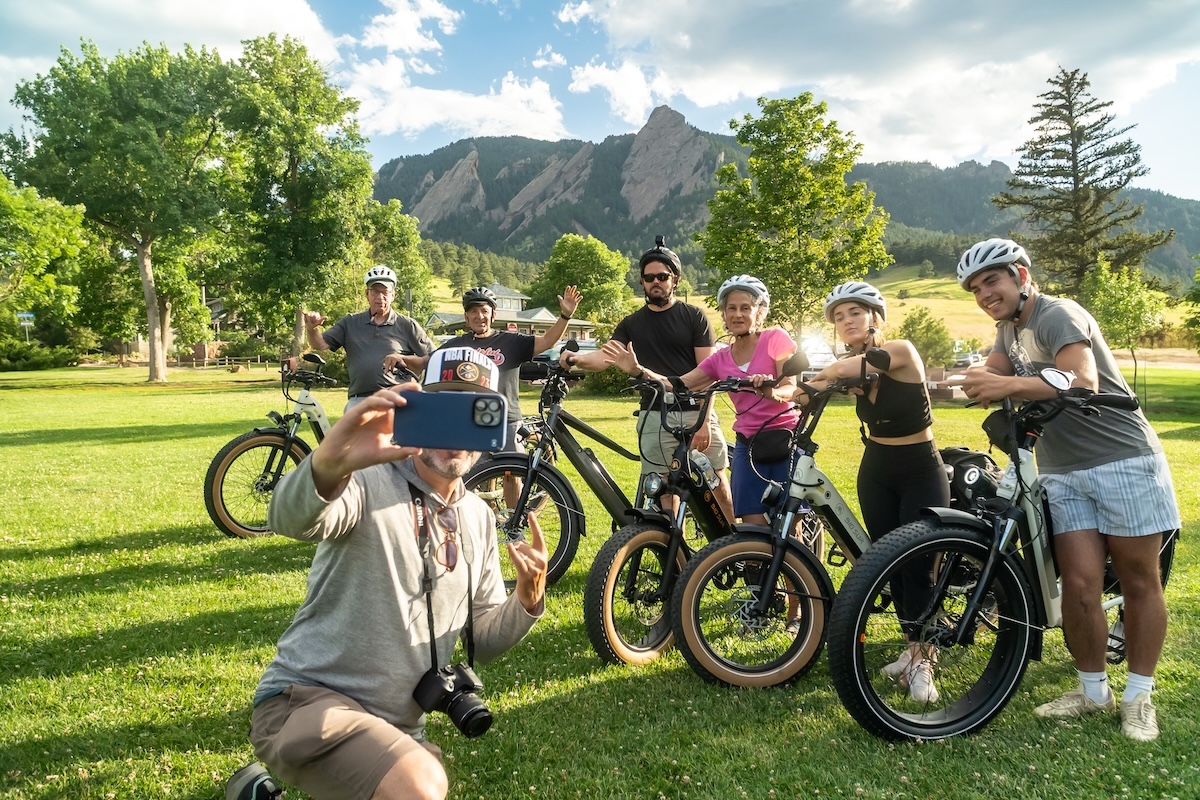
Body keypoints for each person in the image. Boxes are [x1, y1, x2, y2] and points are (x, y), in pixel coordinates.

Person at [228, 348, 548, 800]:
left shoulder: (477, 516)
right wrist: (329, 464)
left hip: (397, 726)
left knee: (418, 782)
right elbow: (287, 518)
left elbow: (483, 639)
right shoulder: (367, 479)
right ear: (416, 410)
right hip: (307, 701)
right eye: (442, 409)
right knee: (420, 787)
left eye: (474, 413)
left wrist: (527, 601)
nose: (455, 433)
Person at [952, 237, 1179, 741]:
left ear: (1021, 276)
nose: (985, 292)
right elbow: (993, 371)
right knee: (1078, 587)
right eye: (975, 288)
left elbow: (1081, 381)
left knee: (1139, 580)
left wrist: (1005, 387)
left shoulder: (1058, 313)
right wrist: (957, 380)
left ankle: (1139, 696)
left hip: (1121, 460)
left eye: (992, 280)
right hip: (1059, 467)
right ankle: (1092, 691)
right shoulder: (1007, 330)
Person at [810, 280, 950, 703]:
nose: (846, 321)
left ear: (874, 317)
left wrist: (824, 373)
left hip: (920, 469)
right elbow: (806, 391)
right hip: (877, 470)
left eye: (855, 312)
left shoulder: (901, 351)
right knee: (890, 563)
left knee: (919, 566)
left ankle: (926, 663)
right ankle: (913, 652)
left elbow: (833, 373)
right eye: (838, 316)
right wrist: (777, 388)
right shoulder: (855, 365)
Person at [565, 236, 734, 522]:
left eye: (662, 276)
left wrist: (705, 421)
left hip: (696, 411)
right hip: (655, 415)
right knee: (665, 493)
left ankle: (733, 554)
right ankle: (676, 561)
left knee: (719, 490)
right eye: (648, 277)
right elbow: (605, 357)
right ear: (642, 283)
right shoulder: (632, 323)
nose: (656, 281)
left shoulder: (694, 317)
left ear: (675, 279)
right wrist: (574, 360)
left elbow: (709, 373)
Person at [439, 284, 583, 459]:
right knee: (470, 475)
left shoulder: (510, 341)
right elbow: (427, 360)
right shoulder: (456, 344)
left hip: (507, 418)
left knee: (512, 472)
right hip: (470, 419)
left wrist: (565, 316)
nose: (479, 316)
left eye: (484, 311)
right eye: (473, 311)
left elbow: (547, 341)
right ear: (466, 317)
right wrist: (401, 359)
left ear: (493, 315)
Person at [303, 265, 437, 411]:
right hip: (359, 399)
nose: (380, 297)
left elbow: (434, 357)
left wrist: (405, 360)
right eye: (375, 292)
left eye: (385, 292)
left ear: (393, 295)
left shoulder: (406, 324)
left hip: (395, 397)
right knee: (351, 432)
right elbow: (320, 344)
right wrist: (312, 329)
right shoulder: (350, 322)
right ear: (367, 294)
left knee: (396, 434)